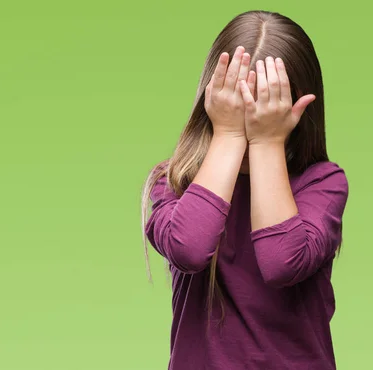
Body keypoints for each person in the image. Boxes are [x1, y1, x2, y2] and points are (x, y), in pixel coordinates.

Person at [140, 10, 349, 370]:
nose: (253, 116)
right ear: (214, 99)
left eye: (269, 102)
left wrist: (267, 142)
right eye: (239, 101)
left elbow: (282, 262)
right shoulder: (174, 182)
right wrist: (229, 134)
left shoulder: (322, 183)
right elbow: (189, 248)